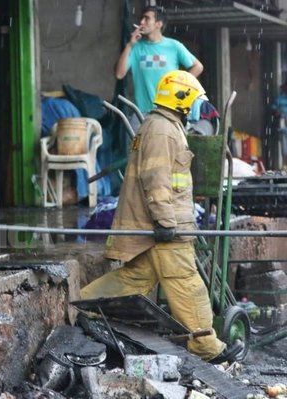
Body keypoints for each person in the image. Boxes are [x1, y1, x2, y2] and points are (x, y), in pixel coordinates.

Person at [79, 70, 243, 363]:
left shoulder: (164, 126)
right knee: (187, 282)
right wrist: (165, 222)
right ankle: (207, 347)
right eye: (193, 100)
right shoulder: (162, 130)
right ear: (180, 100)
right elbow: (156, 179)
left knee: (136, 278)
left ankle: (82, 303)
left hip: (162, 225)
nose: (196, 107)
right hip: (167, 227)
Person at [115, 6, 204, 114]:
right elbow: (119, 74)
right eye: (142, 18)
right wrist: (129, 45)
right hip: (141, 112)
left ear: (158, 24)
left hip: (168, 111)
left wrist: (180, 85)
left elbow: (198, 67)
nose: (141, 22)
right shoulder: (136, 47)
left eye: (147, 18)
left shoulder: (174, 46)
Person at [271, 82, 287, 165]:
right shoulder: (279, 99)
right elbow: (273, 109)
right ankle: (285, 166)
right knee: (284, 150)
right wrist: (279, 113)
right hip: (283, 128)